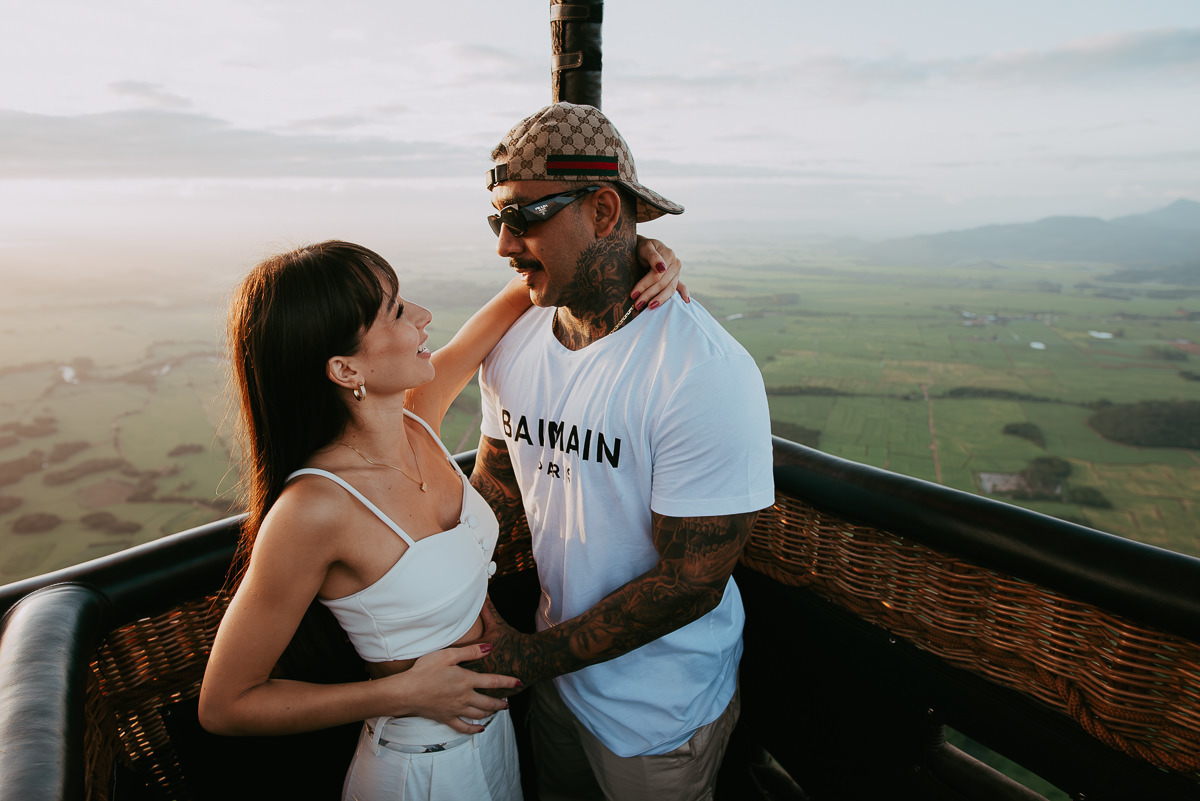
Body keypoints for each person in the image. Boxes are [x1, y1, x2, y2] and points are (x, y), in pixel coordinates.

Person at [198, 238, 684, 801]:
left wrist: (637, 252)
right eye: (397, 311)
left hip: (492, 737)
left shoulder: (416, 422)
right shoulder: (313, 511)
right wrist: (400, 693)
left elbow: (521, 295)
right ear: (343, 367)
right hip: (419, 769)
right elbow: (225, 704)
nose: (423, 316)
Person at [470, 102, 776, 801]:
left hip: (659, 717)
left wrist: (528, 655)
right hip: (557, 685)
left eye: (523, 217)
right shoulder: (513, 347)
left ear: (604, 212)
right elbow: (494, 497)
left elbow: (692, 581)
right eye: (497, 220)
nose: (503, 245)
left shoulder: (702, 372)